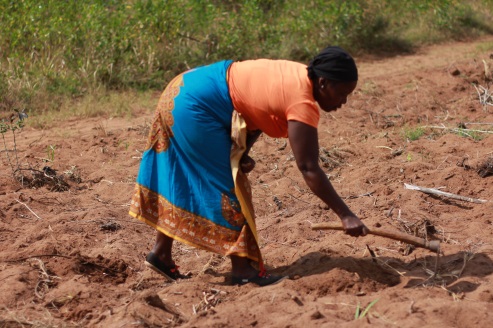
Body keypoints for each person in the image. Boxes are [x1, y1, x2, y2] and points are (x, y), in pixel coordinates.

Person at [129, 46, 369, 287]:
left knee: (184, 175)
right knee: (229, 188)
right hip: (196, 106)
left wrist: (244, 151)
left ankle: (161, 254)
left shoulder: (298, 75)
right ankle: (243, 270)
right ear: (324, 83)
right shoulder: (303, 101)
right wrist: (346, 216)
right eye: (342, 93)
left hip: (184, 86)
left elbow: (255, 108)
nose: (343, 102)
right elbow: (308, 167)